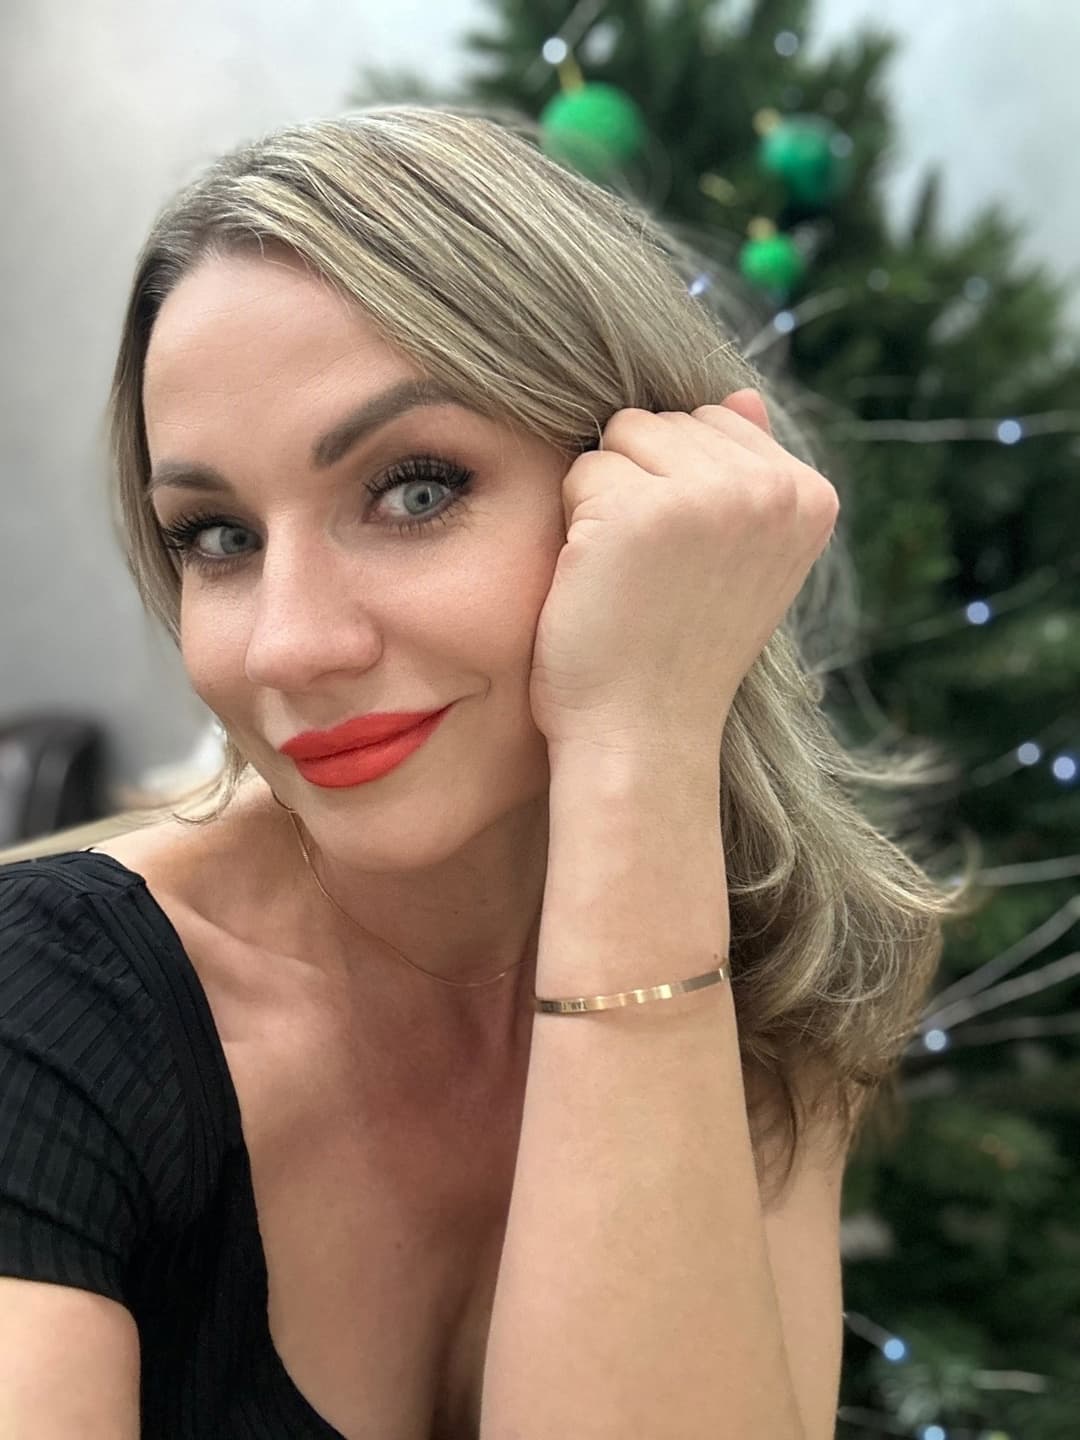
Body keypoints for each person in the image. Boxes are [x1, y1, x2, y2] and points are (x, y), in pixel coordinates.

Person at [0, 104, 976, 1438]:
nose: (288, 645)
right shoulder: (43, 1018)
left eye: (415, 489)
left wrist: (638, 744)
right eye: (216, 535)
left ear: (643, 494)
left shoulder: (764, 975)